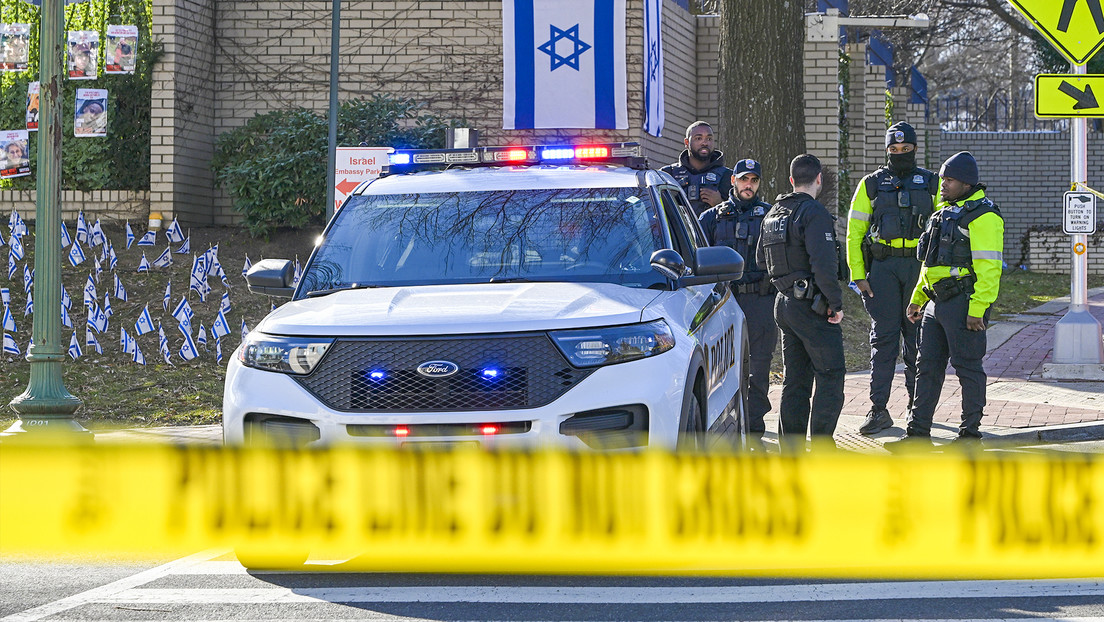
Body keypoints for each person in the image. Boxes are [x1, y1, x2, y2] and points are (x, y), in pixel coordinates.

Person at [884, 152, 1004, 452]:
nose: (943, 185)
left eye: (949, 180)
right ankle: (917, 435)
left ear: (966, 182)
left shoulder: (984, 216)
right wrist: (918, 299)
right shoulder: (942, 214)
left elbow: (990, 269)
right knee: (927, 369)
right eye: (943, 179)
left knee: (968, 368)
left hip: (964, 303)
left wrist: (978, 309)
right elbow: (930, 263)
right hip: (936, 305)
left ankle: (969, 437)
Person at [846, 121, 939, 436]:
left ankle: (918, 409)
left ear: (915, 149)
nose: (899, 153)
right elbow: (854, 233)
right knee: (884, 341)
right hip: (882, 270)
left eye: (906, 149)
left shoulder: (931, 183)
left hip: (918, 270)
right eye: (894, 149)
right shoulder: (871, 184)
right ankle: (878, 409)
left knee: (918, 342)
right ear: (886, 150)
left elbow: (944, 233)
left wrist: (934, 277)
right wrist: (859, 276)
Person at [756, 154, 845, 453]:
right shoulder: (814, 213)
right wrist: (835, 303)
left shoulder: (774, 212)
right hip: (811, 307)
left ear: (792, 180)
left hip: (783, 304)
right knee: (831, 374)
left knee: (796, 379)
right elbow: (824, 264)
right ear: (819, 179)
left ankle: (790, 451)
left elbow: (760, 259)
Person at [698, 158, 776, 448]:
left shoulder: (770, 216)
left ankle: (754, 425)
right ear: (733, 181)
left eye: (754, 181)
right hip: (724, 301)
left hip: (760, 300)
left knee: (759, 364)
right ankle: (724, 423)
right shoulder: (712, 218)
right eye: (744, 179)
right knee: (721, 364)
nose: (749, 185)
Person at [660, 121, 733, 217]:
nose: (705, 143)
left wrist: (720, 204)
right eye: (698, 138)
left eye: (709, 138)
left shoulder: (728, 176)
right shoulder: (668, 174)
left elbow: (740, 216)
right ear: (686, 142)